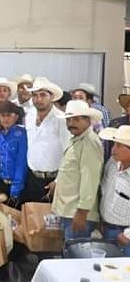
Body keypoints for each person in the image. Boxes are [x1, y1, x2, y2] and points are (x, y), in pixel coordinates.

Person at [50, 100, 104, 240]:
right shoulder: (77, 139)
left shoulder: (89, 142)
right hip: (69, 210)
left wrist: (82, 212)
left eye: (76, 119)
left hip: (78, 213)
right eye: (68, 119)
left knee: (76, 257)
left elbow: (90, 179)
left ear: (88, 120)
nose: (71, 123)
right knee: (69, 254)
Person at [23, 77, 70, 203]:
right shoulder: (29, 115)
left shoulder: (61, 119)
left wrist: (57, 181)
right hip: (31, 177)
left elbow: (68, 153)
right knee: (32, 218)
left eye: (43, 95)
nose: (38, 99)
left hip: (53, 179)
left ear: (51, 97)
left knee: (51, 221)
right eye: (35, 95)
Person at [98, 126, 130, 256]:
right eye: (114, 144)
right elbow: (104, 191)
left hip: (124, 234)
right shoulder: (112, 164)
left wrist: (128, 235)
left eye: (119, 145)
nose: (113, 149)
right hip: (106, 228)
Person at [0, 101, 27, 208]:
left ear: (16, 116)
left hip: (16, 185)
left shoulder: (21, 134)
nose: (6, 119)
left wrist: (16, 189)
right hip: (1, 183)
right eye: (3, 115)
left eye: (9, 115)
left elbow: (21, 162)